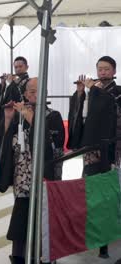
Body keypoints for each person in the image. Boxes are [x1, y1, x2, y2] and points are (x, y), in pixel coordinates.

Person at [0, 78, 56, 264]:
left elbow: (52, 148)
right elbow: (1, 144)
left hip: (43, 178)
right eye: (32, 91)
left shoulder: (53, 115)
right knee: (21, 217)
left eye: (39, 91)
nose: (35, 95)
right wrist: (8, 119)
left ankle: (44, 255)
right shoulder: (18, 117)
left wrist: (31, 118)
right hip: (22, 180)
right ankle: (20, 255)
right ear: (25, 94)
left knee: (43, 218)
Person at [67, 56, 121, 258]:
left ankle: (106, 242)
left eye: (107, 69)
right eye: (100, 69)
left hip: (112, 150)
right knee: (90, 192)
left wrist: (94, 90)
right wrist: (80, 94)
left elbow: (107, 106)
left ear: (114, 71)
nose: (103, 72)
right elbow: (83, 116)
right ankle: (92, 235)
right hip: (91, 149)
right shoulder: (94, 91)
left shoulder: (117, 92)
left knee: (108, 195)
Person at [0, 56, 30, 125]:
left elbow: (20, 97)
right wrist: (2, 85)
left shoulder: (29, 82)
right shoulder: (15, 81)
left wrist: (12, 83)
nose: (18, 69)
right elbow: (4, 99)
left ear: (27, 67)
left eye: (20, 66)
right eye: (16, 67)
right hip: (7, 115)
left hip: (20, 116)